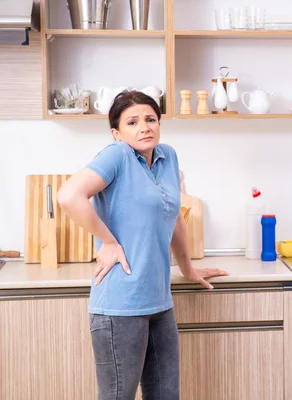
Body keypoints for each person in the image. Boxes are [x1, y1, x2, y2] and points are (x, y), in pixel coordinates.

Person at [58, 90, 228, 399]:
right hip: (120, 305)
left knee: (165, 395)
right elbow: (68, 196)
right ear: (116, 133)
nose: (144, 127)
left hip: (160, 303)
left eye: (150, 119)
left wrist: (188, 268)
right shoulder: (117, 155)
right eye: (132, 122)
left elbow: (174, 216)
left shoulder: (168, 157)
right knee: (118, 396)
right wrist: (108, 242)